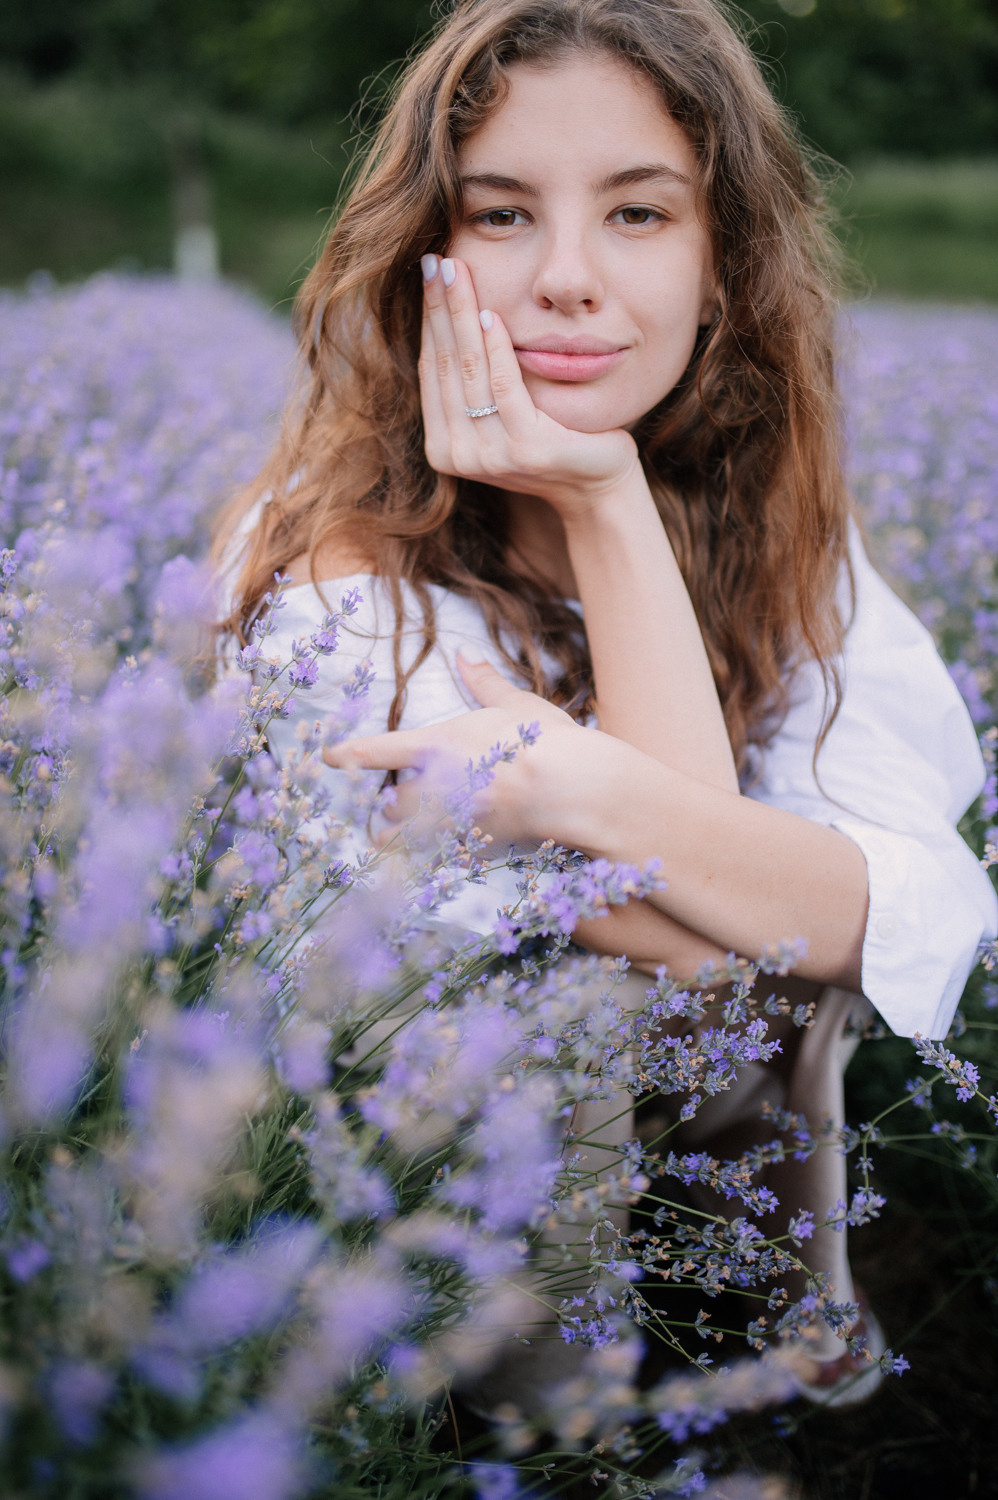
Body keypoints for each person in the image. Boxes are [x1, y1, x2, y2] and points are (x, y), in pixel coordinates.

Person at [215, 0, 997, 1403]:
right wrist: (712, 867)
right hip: (408, 1126)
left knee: (774, 971)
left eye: (638, 215)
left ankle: (767, 1321)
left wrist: (600, 524)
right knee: (559, 1015)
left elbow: (895, 911)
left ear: (720, 270)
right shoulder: (328, 561)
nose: (566, 278)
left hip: (699, 1107)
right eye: (500, 216)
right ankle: (536, 1434)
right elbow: (691, 947)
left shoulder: (784, 537)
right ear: (422, 261)